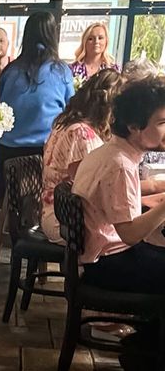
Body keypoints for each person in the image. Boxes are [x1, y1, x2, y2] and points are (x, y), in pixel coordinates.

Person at [72, 76, 165, 294]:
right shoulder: (119, 165)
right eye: (162, 123)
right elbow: (130, 235)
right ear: (133, 126)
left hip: (103, 255)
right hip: (106, 263)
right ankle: (148, 328)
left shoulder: (112, 153)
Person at [0, 11, 74, 200]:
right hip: (44, 155)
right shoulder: (61, 72)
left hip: (5, 154)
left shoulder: (10, 70)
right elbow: (71, 111)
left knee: (6, 202)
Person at [41, 69, 125, 243]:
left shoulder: (68, 123)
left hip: (58, 211)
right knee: (134, 239)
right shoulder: (81, 134)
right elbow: (86, 188)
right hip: (64, 221)